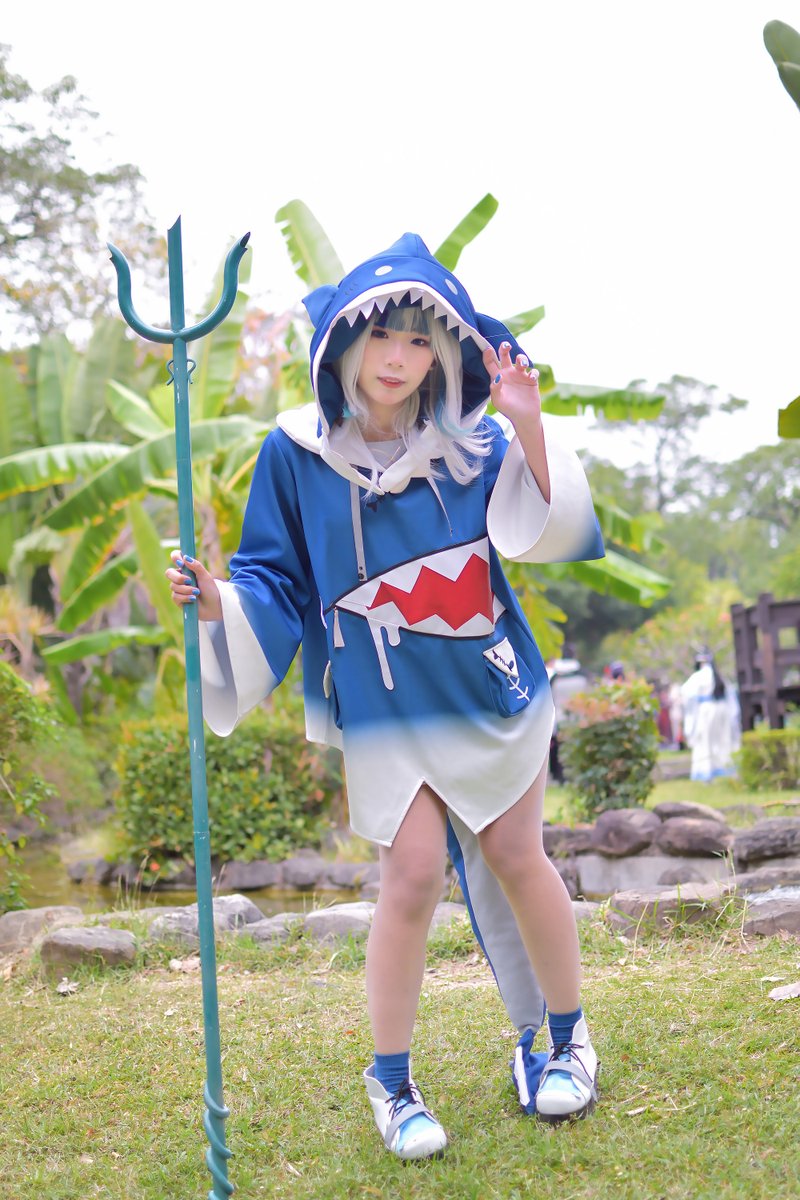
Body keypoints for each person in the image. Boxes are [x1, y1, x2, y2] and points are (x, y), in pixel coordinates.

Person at [166, 234, 604, 1159]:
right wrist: (216, 602)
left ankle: (566, 1041)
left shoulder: (473, 444)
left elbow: (546, 527)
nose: (398, 359)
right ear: (344, 343)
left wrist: (526, 422)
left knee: (516, 855)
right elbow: (273, 577)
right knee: (409, 878)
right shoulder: (294, 453)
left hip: (488, 687)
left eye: (418, 341)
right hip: (381, 702)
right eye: (381, 337)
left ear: (440, 354)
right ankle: (393, 1084)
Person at [680, 650, 741, 781]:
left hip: (706, 711)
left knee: (705, 742)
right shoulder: (719, 676)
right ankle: (724, 768)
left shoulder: (697, 677)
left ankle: (707, 771)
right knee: (723, 741)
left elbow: (686, 694)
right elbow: (731, 697)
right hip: (722, 711)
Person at [547, 651, 590, 784]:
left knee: (559, 749)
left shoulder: (556, 679)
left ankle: (559, 777)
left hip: (559, 719)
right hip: (578, 718)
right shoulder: (583, 677)